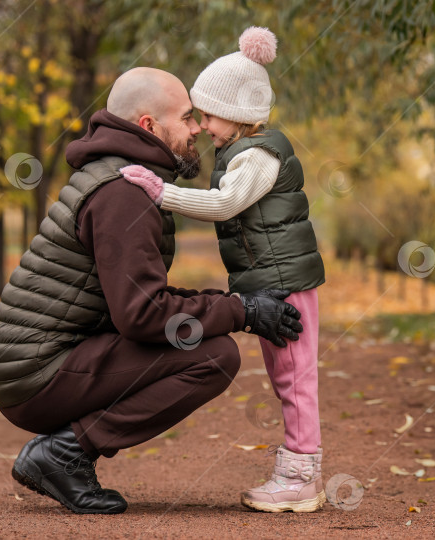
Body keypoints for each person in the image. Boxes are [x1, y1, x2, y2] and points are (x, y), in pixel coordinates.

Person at [0, 67, 304, 515]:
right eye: (187, 118)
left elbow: (143, 298)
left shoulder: (122, 177)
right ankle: (64, 454)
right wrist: (241, 312)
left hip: (39, 362)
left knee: (205, 341)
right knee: (213, 355)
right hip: (35, 373)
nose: (198, 129)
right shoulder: (122, 192)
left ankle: (64, 452)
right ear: (148, 126)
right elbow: (144, 316)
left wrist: (235, 305)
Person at [120, 27, 326, 513]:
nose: (202, 126)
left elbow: (226, 204)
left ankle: (301, 475)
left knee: (295, 380)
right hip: (274, 282)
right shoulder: (242, 152)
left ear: (235, 114)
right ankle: (299, 469)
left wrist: (159, 192)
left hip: (287, 286)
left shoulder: (257, 155)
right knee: (287, 379)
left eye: (207, 115)